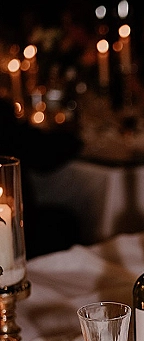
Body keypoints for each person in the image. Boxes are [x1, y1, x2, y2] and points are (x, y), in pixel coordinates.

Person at [0, 97, 83, 259]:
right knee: (63, 223)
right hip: (19, 226)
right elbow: (43, 154)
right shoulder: (3, 117)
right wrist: (72, 135)